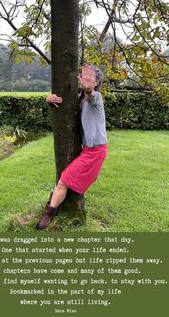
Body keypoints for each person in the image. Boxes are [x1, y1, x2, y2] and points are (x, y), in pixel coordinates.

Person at [36, 64, 108, 230]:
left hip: (95, 152)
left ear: (96, 83)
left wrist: (89, 90)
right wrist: (48, 98)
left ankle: (47, 215)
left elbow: (92, 96)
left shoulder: (96, 98)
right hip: (88, 150)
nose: (85, 79)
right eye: (84, 76)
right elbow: (61, 104)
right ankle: (51, 212)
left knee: (63, 182)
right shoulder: (78, 98)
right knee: (64, 182)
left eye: (90, 78)